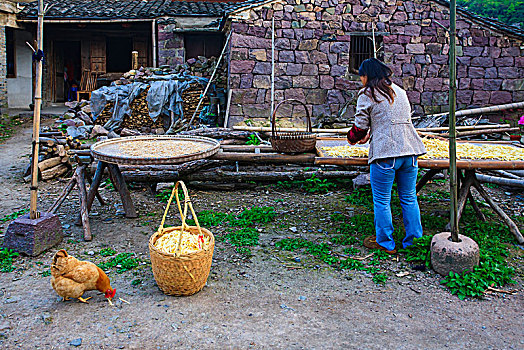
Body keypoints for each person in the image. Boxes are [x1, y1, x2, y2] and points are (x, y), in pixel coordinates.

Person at [347, 58, 426, 254]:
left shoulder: (368, 94)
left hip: (385, 155)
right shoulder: (400, 91)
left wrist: (352, 138)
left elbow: (359, 127)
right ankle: (415, 243)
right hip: (410, 152)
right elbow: (392, 121)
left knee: (382, 200)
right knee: (408, 198)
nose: (361, 81)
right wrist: (371, 133)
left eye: (362, 77)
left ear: (367, 76)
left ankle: (386, 242)